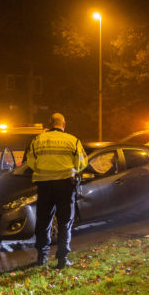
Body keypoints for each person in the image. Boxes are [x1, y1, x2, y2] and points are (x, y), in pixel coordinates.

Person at [26, 113, 87, 269]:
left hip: (44, 186)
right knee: (65, 222)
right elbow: (81, 164)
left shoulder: (38, 140)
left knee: (43, 222)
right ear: (63, 124)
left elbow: (31, 163)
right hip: (65, 186)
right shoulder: (73, 140)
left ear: (50, 123)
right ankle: (62, 259)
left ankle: (42, 257)